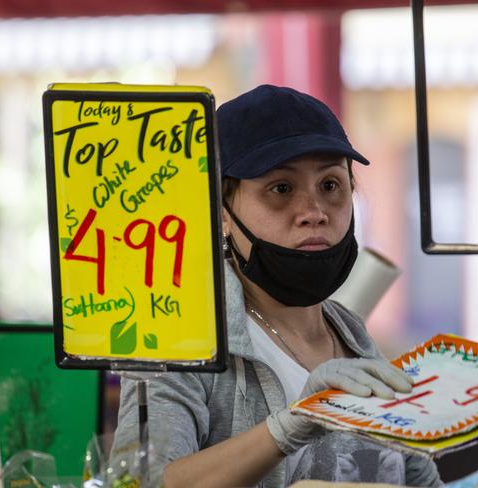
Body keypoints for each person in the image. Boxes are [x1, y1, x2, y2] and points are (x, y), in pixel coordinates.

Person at [114, 84, 443, 488]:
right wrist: (288, 427)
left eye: (330, 185)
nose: (315, 212)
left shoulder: (357, 340)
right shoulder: (181, 341)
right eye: (281, 189)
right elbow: (141, 483)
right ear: (221, 213)